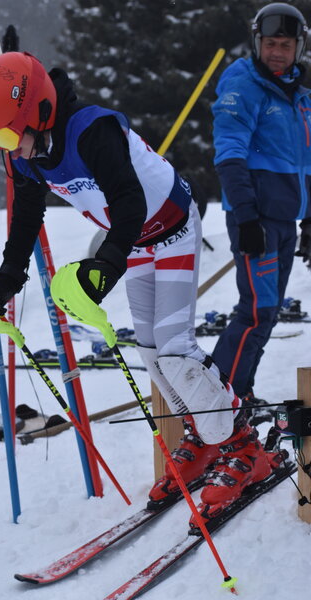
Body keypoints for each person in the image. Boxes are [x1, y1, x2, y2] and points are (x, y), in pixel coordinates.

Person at [0, 51, 278, 524]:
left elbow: (129, 201)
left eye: (7, 134)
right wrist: (8, 281)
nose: (6, 148)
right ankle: (204, 435)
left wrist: (105, 266)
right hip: (132, 240)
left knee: (176, 349)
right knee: (151, 353)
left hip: (170, 227)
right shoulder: (25, 154)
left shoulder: (91, 131)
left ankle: (242, 446)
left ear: (40, 113)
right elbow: (26, 217)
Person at [211, 2, 311, 402]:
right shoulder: (243, 87)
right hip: (257, 220)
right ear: (257, 42)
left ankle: (240, 394)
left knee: (266, 315)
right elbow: (229, 154)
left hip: (284, 222)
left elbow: (306, 163)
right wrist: (247, 219)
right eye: (270, 43)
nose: (277, 52)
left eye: (285, 45)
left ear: (298, 48)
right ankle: (217, 403)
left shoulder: (299, 97)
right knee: (256, 312)